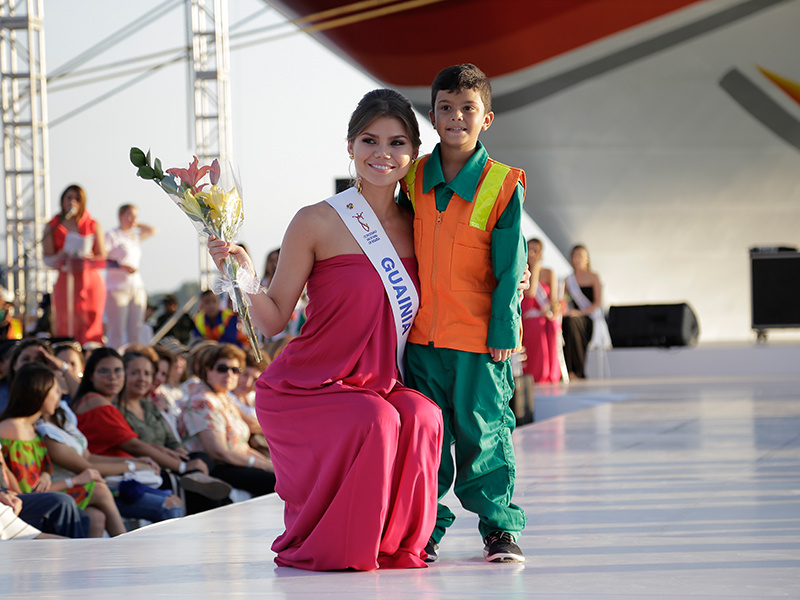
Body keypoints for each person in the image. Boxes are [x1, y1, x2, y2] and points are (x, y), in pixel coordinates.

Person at [207, 89, 443, 571]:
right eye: (369, 140)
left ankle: (394, 545)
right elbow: (273, 319)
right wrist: (243, 272)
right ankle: (341, 546)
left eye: (398, 142)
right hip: (311, 384)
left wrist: (518, 276)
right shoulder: (315, 220)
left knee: (422, 416)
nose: (383, 153)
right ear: (350, 146)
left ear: (414, 153)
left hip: (381, 382)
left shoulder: (424, 225)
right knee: (376, 421)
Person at [400, 64, 527, 563]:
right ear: (432, 116)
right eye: (446, 109)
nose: (456, 118)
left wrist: (504, 329)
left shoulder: (502, 183)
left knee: (485, 437)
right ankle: (425, 530)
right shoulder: (411, 177)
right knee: (428, 443)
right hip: (422, 340)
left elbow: (511, 264)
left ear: (487, 118)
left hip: (479, 340)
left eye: (467, 109)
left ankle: (499, 528)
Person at [0, 363, 126, 537]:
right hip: (20, 500)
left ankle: (95, 562)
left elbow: (43, 470)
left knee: (96, 517)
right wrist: (75, 481)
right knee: (98, 489)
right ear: (40, 392)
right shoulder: (12, 429)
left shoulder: (33, 427)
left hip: (40, 493)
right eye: (56, 391)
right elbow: (28, 489)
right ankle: (125, 543)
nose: (61, 395)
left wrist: (45, 474)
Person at [177, 344, 274, 501]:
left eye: (235, 370)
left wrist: (270, 464)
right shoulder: (202, 400)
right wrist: (263, 465)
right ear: (208, 370)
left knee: (282, 475)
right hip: (216, 468)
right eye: (222, 368)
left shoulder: (225, 399)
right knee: (276, 482)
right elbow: (218, 452)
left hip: (235, 463)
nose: (229, 374)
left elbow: (242, 447)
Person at [42, 184, 107, 345]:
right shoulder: (53, 226)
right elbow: (47, 257)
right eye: (69, 198)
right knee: (65, 320)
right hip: (66, 280)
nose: (72, 202)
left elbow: (103, 256)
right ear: (62, 201)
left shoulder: (93, 224)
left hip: (90, 280)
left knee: (91, 321)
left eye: (77, 199)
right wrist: (60, 255)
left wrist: (91, 256)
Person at [1, 447, 89, 538]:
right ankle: (75, 550)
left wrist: (16, 495)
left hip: (8, 494)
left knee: (83, 517)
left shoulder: (38, 434)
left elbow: (4, 467)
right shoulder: (13, 437)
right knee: (62, 502)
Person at [104, 204, 157, 349]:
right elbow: (102, 258)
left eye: (135, 216)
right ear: (121, 216)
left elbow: (152, 230)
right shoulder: (111, 236)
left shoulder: (133, 236)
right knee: (117, 333)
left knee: (136, 332)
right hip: (117, 289)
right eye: (129, 215)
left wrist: (135, 223)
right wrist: (120, 266)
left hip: (136, 287)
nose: (133, 219)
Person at [562, 244, 609, 379]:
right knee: (568, 323)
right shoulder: (568, 280)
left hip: (590, 318)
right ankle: (568, 370)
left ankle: (578, 371)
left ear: (587, 258)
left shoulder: (594, 277)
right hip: (574, 318)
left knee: (573, 323)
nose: (577, 259)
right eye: (574, 256)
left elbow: (597, 303)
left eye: (580, 256)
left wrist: (580, 313)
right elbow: (564, 301)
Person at [521, 238, 562, 383]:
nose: (531, 253)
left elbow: (554, 301)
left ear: (541, 253)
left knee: (550, 324)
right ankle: (536, 373)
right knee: (536, 324)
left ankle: (550, 372)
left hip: (544, 314)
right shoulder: (522, 271)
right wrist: (535, 269)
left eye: (535, 251)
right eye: (529, 250)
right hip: (526, 315)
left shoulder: (549, 273)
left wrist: (551, 313)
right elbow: (531, 293)